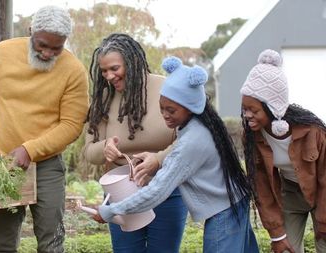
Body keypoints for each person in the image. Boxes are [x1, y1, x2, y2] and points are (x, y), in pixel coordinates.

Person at [0, 6, 89, 253]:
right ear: (30, 30)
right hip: (4, 166)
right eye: (42, 44)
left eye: (56, 48)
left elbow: (71, 126)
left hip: (46, 166)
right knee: (2, 244)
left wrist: (29, 149)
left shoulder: (74, 70)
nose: (47, 53)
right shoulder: (3, 53)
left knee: (51, 243)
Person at [93, 56, 260, 253]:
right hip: (233, 205)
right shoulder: (197, 126)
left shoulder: (192, 141)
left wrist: (112, 210)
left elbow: (157, 191)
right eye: (162, 107)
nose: (164, 114)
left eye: (171, 110)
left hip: (225, 212)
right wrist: (156, 159)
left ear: (190, 106)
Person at [83, 33, 187, 253]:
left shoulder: (167, 89)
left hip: (166, 190)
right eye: (103, 71)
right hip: (121, 193)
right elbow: (89, 151)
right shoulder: (103, 99)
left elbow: (188, 141)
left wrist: (158, 159)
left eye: (114, 68)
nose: (109, 76)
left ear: (132, 62)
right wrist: (105, 148)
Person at [240, 49, 326, 253]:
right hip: (290, 194)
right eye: (244, 109)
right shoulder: (253, 137)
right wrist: (277, 234)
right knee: (285, 250)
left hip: (323, 194)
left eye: (254, 110)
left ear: (273, 107)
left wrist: (323, 220)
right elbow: (261, 187)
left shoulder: (313, 132)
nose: (247, 115)